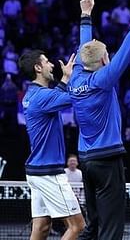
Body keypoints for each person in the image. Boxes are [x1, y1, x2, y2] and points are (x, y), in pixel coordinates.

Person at [68, 0, 130, 240]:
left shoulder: (76, 75)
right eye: (107, 55)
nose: (110, 57)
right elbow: (129, 45)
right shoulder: (103, 79)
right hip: (107, 161)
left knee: (94, 225)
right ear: (103, 62)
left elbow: (84, 46)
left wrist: (86, 14)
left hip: (87, 161)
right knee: (111, 230)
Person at [19, 49, 85, 240]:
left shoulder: (33, 94)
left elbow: (54, 97)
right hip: (49, 173)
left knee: (41, 227)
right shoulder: (42, 97)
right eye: (47, 62)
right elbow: (74, 97)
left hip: (36, 172)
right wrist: (77, 75)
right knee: (77, 225)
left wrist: (64, 79)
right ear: (38, 68)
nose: (52, 65)